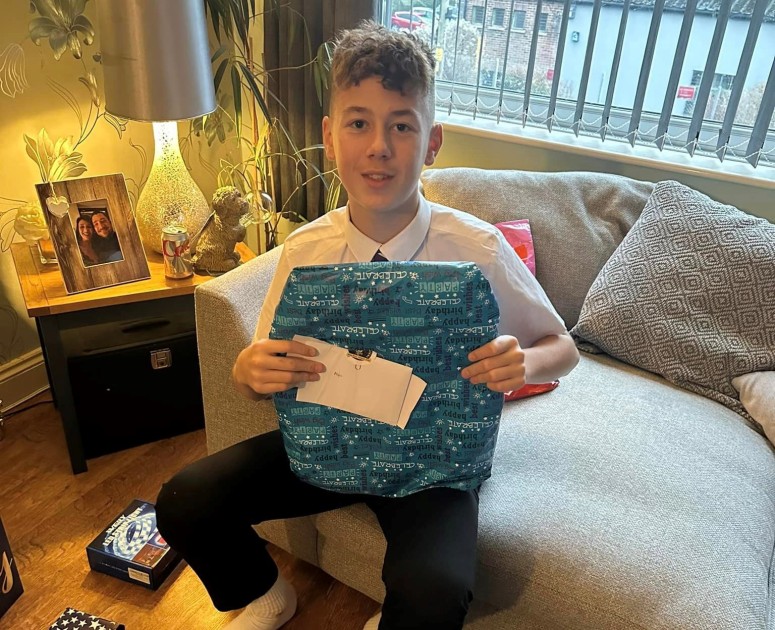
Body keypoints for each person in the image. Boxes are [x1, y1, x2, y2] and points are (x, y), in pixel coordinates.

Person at [155, 20, 579, 630]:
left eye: (401, 126)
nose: (379, 146)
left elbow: (563, 347)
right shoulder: (305, 252)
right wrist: (247, 371)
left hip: (434, 462)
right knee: (184, 500)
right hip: (324, 444)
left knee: (435, 592)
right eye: (359, 124)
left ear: (432, 142)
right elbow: (265, 369)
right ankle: (266, 594)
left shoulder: (478, 249)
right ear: (330, 137)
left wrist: (525, 362)